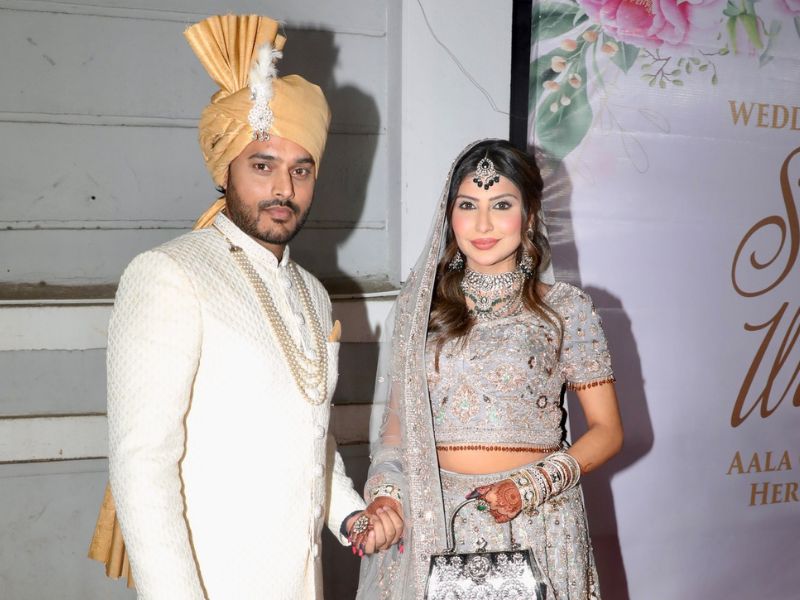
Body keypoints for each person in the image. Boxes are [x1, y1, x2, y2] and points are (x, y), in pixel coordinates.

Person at [88, 14, 401, 599]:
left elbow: (310, 436)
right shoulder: (170, 274)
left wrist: (350, 515)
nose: (284, 189)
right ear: (225, 169)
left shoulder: (311, 292)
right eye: (263, 166)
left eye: (301, 170)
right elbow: (142, 468)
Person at [354, 139, 624, 599]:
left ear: (529, 215)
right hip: (436, 524)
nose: (482, 224)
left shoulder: (565, 309)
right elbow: (395, 434)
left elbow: (607, 430)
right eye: (468, 205)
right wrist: (386, 497)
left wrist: (531, 485)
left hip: (536, 522)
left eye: (501, 205)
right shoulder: (419, 312)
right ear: (450, 214)